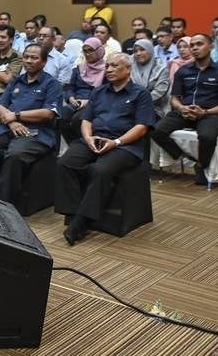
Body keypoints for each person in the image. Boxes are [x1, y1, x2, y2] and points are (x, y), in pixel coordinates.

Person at [56, 53, 154, 245]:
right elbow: (86, 120)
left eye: (114, 66)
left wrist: (116, 142)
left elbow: (142, 127)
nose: (108, 69)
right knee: (65, 163)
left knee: (99, 170)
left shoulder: (140, 94)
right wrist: (88, 138)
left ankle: (81, 222)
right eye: (107, 66)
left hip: (125, 145)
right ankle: (73, 212)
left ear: (128, 69)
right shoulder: (99, 92)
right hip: (95, 139)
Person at [0, 44, 62, 206]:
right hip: (9, 127)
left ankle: (2, 204)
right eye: (26, 57)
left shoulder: (52, 84)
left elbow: (48, 113)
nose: (29, 61)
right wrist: (12, 121)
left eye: (34, 58)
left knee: (14, 154)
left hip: (36, 132)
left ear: (43, 62)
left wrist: (16, 115)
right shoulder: (16, 81)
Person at [150, 34, 218, 186]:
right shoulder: (183, 71)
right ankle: (183, 156)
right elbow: (174, 98)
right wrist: (181, 107)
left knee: (207, 137)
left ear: (210, 46)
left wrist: (205, 112)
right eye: (193, 45)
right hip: (184, 111)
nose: (195, 48)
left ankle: (201, 165)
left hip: (210, 114)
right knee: (156, 131)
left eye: (199, 44)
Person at [59, 38, 107, 142]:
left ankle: (84, 144)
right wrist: (71, 97)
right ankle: (73, 144)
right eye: (85, 51)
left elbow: (107, 91)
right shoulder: (79, 68)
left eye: (91, 50)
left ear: (99, 51)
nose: (88, 54)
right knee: (60, 116)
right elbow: (70, 87)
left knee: (77, 119)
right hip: (76, 102)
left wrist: (89, 101)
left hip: (96, 103)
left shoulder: (107, 70)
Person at [131, 38, 170, 119]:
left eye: (142, 50)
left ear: (150, 50)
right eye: (135, 51)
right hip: (130, 106)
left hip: (153, 108)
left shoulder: (161, 70)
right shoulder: (129, 69)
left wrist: (140, 102)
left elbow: (159, 92)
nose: (138, 53)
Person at [0, 24, 23, 106]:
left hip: (2, 92)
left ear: (11, 40)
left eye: (3, 37)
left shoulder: (16, 56)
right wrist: (1, 75)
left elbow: (8, 79)